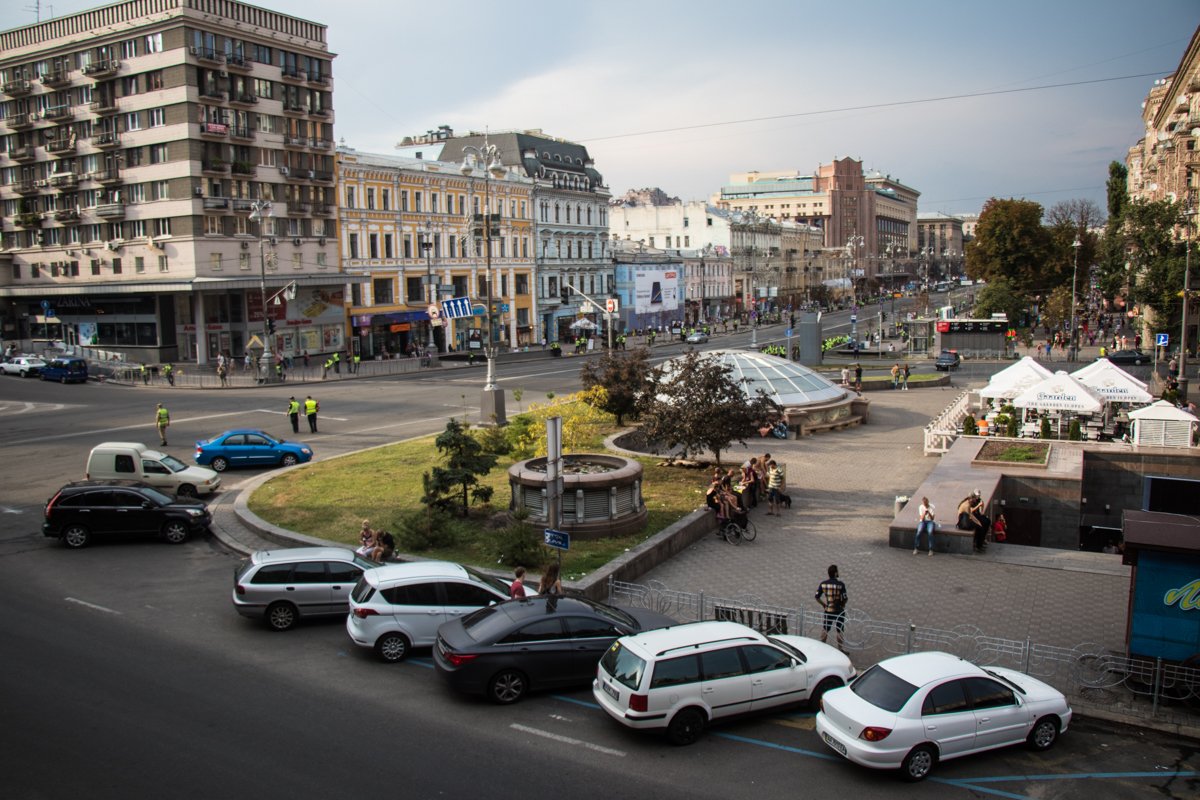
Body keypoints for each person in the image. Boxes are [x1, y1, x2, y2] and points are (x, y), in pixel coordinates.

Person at [814, 564, 848, 650]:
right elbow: (845, 598)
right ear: (835, 573)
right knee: (840, 630)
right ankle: (840, 649)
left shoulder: (823, 584)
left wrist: (824, 605)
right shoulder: (841, 584)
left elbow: (817, 597)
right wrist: (843, 604)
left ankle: (821, 647)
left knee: (825, 629)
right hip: (839, 610)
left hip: (828, 610)